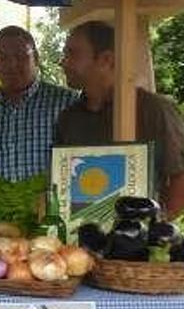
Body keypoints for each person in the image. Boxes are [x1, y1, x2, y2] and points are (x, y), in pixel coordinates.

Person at [57, 20, 184, 216]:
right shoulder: (68, 118)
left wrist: (161, 229)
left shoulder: (155, 110)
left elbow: (179, 176)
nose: (63, 62)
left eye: (72, 54)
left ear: (106, 60)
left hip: (140, 239)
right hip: (81, 241)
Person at [0, 26, 78, 181]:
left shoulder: (68, 103)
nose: (12, 65)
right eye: (3, 58)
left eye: (21, 56)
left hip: (55, 205)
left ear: (37, 59)